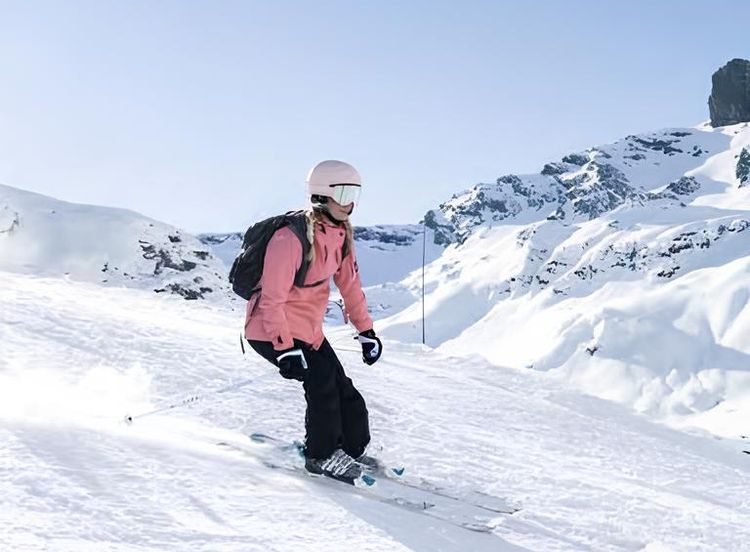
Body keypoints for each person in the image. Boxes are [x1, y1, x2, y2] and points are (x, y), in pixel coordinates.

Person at [244, 160, 383, 482]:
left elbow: (350, 287)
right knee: (321, 387)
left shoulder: (340, 235)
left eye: (355, 194)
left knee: (345, 391)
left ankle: (349, 450)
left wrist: (367, 332)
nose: (350, 202)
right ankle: (321, 456)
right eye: (344, 192)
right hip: (270, 329)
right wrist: (284, 347)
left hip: (308, 332)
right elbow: (272, 298)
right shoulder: (289, 238)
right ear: (322, 195)